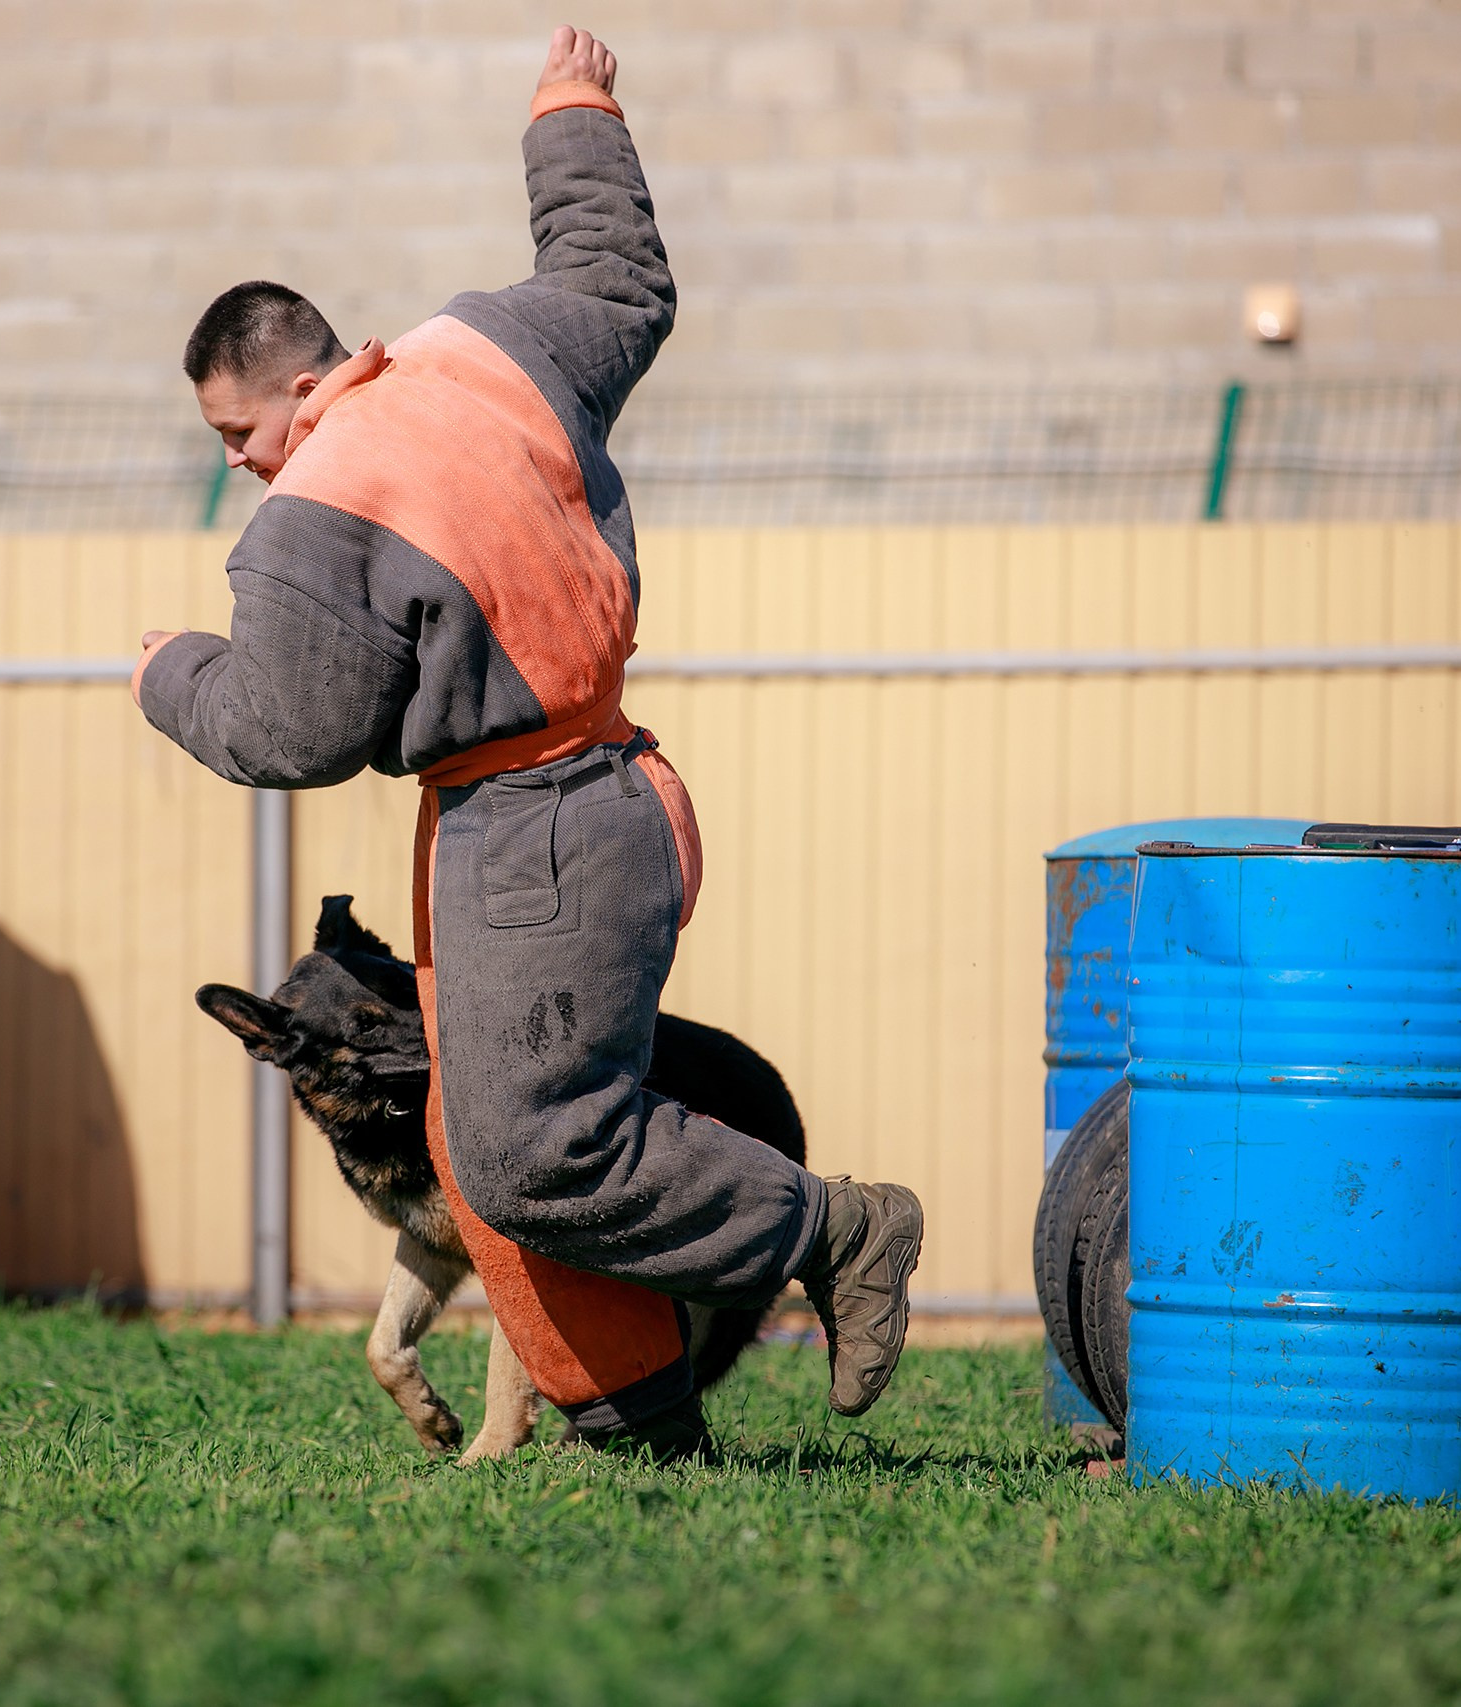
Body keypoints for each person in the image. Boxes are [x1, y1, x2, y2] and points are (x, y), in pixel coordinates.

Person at [135, 25, 923, 1458]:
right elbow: (617, 276)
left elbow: (285, 731)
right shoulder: (485, 350)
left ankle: (837, 1230)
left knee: (527, 1153)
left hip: (529, 836)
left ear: (298, 388)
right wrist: (573, 114)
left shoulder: (314, 512)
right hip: (617, 793)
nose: (240, 465)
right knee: (493, 1144)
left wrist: (170, 672)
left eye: (237, 433)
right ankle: (635, 1426)